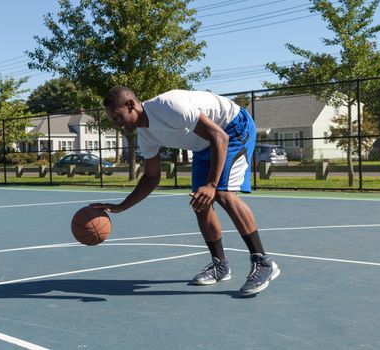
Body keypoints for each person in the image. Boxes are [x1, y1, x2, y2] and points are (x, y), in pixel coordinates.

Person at [91, 86, 280, 297]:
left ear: (130, 105)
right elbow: (151, 177)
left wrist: (211, 185)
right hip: (205, 144)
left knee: (223, 194)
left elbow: (220, 137)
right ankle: (219, 265)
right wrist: (120, 207)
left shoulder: (169, 106)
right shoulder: (146, 136)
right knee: (200, 204)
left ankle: (263, 261)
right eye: (113, 119)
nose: (116, 124)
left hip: (232, 128)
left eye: (117, 116)